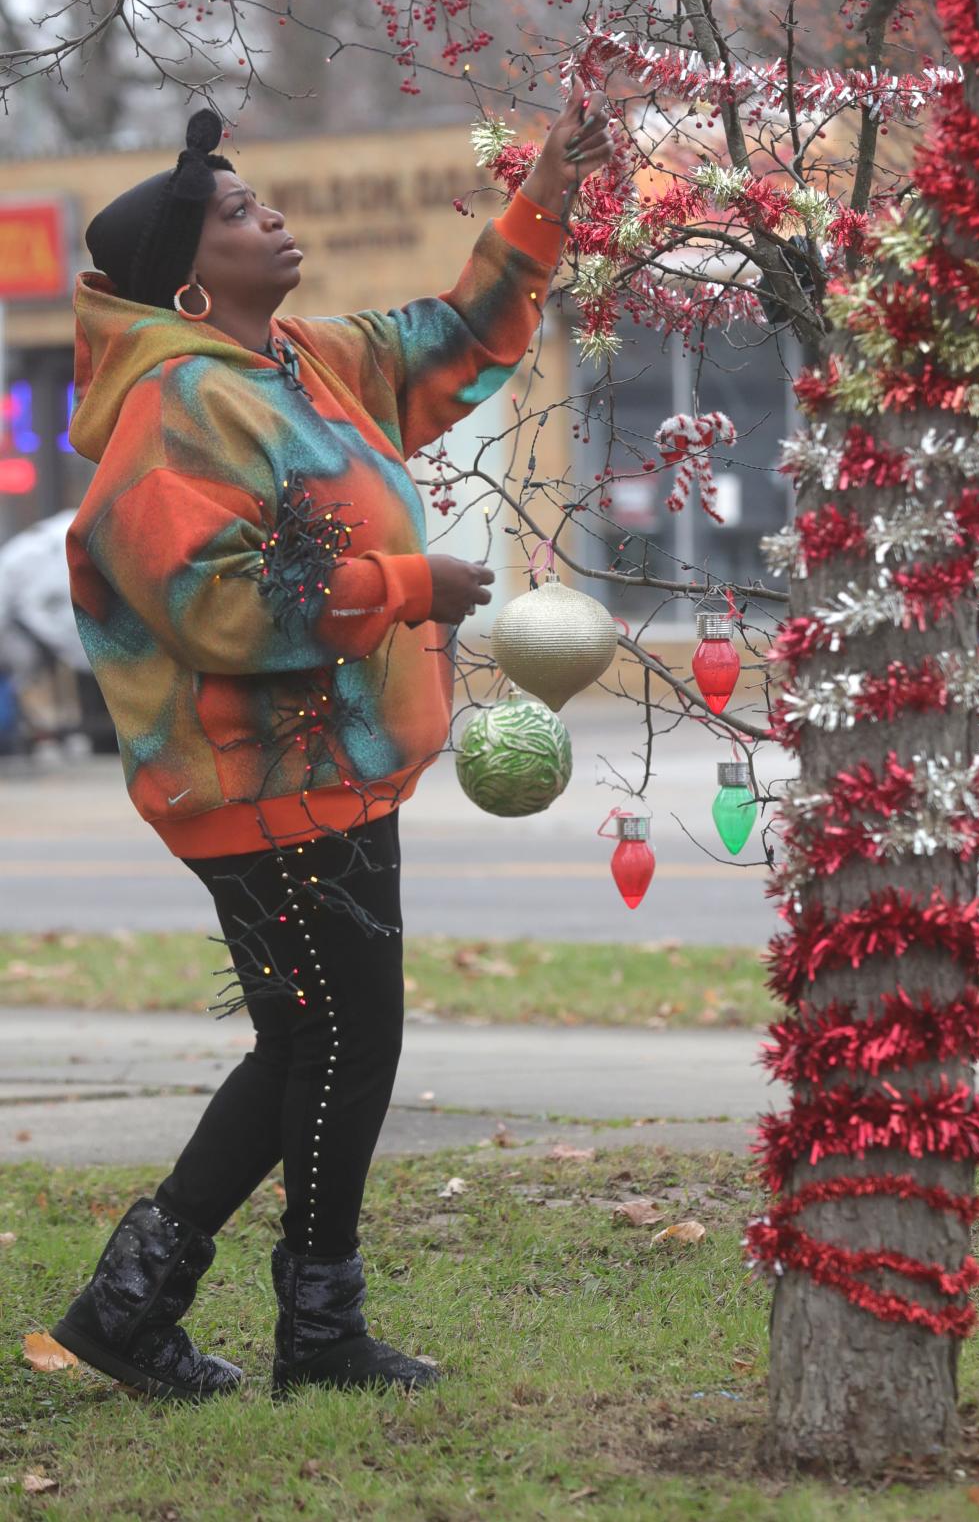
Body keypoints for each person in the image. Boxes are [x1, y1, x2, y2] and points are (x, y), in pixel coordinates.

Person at [49, 88, 614, 1401]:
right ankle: (310, 1332)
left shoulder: (303, 363)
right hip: (265, 787)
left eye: (262, 197)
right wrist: (406, 585)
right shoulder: (177, 407)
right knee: (342, 1042)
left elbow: (462, 334)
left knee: (311, 1040)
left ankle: (135, 1313)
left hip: (326, 779)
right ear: (186, 280)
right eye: (240, 212)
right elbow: (215, 601)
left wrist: (547, 187)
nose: (273, 214)